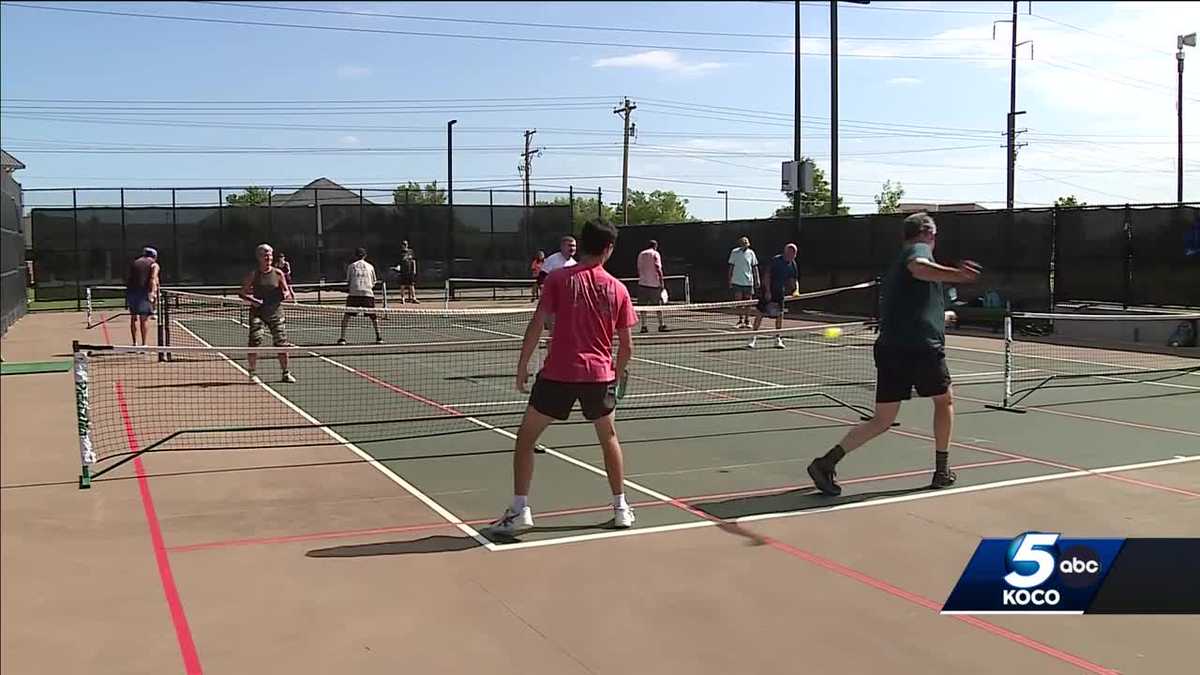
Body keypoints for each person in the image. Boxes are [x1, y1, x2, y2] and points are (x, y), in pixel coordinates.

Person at [806, 213, 981, 495]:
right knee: (944, 401)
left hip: (891, 347)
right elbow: (920, 268)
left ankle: (826, 462)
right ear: (926, 233)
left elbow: (914, 300)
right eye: (934, 235)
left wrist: (942, 315)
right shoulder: (918, 251)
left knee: (882, 419)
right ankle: (942, 469)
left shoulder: (897, 265)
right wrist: (959, 276)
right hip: (920, 348)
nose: (934, 241)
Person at [487, 220, 638, 535]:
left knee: (526, 439)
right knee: (609, 438)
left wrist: (522, 364)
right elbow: (627, 345)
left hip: (558, 375)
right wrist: (618, 376)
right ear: (609, 249)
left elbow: (537, 323)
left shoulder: (556, 280)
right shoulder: (618, 289)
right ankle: (621, 507)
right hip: (599, 377)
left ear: (581, 245)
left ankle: (519, 510)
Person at [239, 243, 296, 383]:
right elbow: (242, 293)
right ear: (258, 257)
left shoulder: (278, 273)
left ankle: (285, 373)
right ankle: (252, 373)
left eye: (270, 254)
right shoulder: (254, 274)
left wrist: (285, 294)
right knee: (255, 341)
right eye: (265, 255)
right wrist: (252, 300)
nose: (268, 257)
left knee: (281, 344)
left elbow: (286, 290)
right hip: (258, 313)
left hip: (276, 313)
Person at [747, 243, 799, 349]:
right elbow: (767, 276)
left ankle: (777, 339)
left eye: (794, 254)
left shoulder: (792, 264)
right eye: (791, 253)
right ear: (786, 252)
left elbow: (794, 279)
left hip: (780, 293)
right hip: (768, 290)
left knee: (780, 316)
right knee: (760, 314)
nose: (793, 255)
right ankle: (752, 338)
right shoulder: (775, 260)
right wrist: (767, 291)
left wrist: (796, 290)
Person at [338, 248, 383, 345]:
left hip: (354, 294)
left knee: (347, 316)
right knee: (374, 317)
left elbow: (348, 281)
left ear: (355, 256)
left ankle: (342, 338)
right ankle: (379, 337)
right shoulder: (370, 266)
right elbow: (373, 282)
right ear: (365, 256)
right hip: (367, 294)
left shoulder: (351, 266)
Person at [538, 236, 578, 333]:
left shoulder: (574, 263)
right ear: (562, 246)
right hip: (553, 305)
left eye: (574, 246)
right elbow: (541, 278)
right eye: (570, 246)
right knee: (554, 333)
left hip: (568, 304)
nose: (572, 248)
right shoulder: (552, 260)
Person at [125, 247, 160, 345]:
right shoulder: (154, 265)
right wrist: (152, 293)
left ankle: (134, 343)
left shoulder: (135, 262)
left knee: (133, 318)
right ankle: (144, 344)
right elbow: (153, 279)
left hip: (131, 292)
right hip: (143, 293)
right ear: (154, 256)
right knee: (143, 320)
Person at [635, 240, 668, 333]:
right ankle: (661, 325)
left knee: (643, 307)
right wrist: (661, 281)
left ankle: (644, 326)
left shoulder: (641, 254)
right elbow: (658, 267)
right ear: (655, 246)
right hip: (654, 285)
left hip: (642, 284)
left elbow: (639, 268)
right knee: (658, 306)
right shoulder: (655, 254)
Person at [727, 236, 759, 328]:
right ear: (740, 244)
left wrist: (757, 280)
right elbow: (731, 267)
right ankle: (740, 320)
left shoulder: (751, 253)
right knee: (739, 302)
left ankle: (747, 320)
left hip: (748, 282)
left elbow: (754, 267)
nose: (745, 245)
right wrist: (730, 280)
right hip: (737, 281)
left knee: (748, 302)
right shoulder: (734, 252)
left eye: (746, 244)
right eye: (743, 244)